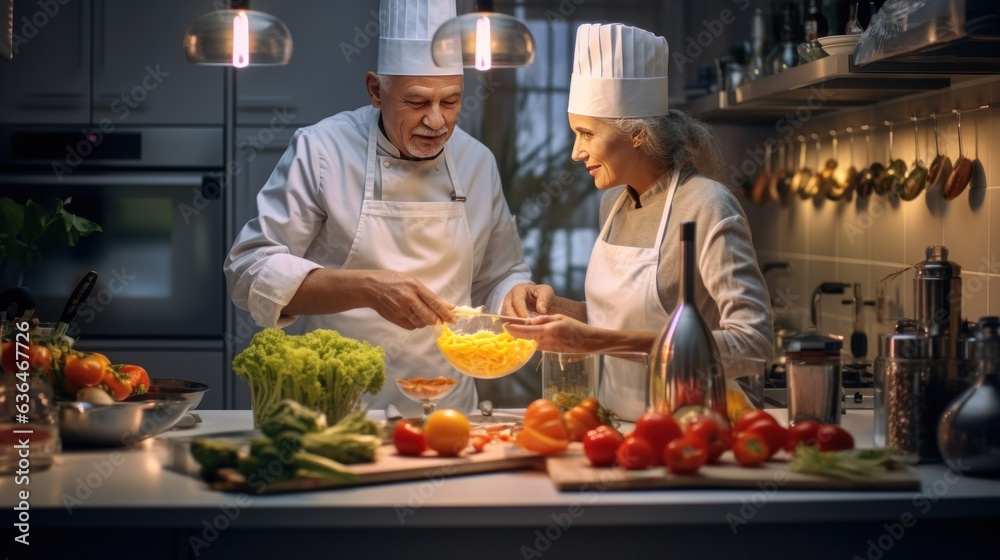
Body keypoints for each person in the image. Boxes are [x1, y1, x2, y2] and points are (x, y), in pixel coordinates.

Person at [224, 0, 532, 416]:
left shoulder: (477, 161)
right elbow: (249, 270)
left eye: (451, 101)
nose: (438, 122)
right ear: (375, 90)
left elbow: (500, 274)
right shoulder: (322, 149)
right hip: (337, 406)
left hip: (446, 409)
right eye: (417, 102)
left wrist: (516, 294)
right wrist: (367, 288)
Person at [503, 23, 773, 420]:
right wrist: (552, 309)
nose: (576, 152)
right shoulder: (613, 201)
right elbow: (615, 323)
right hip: (619, 426)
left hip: (696, 431)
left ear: (638, 136)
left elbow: (754, 344)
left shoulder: (707, 205)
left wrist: (594, 340)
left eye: (587, 134)